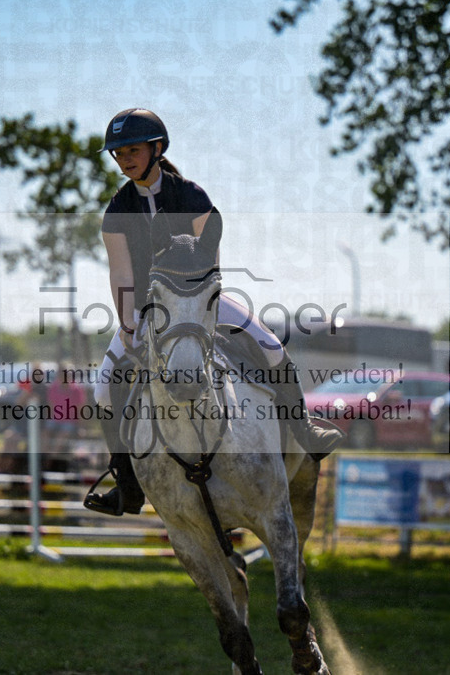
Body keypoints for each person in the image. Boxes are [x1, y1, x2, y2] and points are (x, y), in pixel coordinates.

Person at [83, 108, 344, 517]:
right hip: (150, 309)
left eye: (132, 150)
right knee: (102, 388)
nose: (124, 159)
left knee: (272, 345)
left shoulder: (192, 196)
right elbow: (121, 271)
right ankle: (126, 483)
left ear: (156, 148)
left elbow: (210, 262)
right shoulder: (117, 210)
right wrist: (129, 322)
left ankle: (304, 430)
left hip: (202, 299)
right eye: (118, 153)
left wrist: (198, 306)